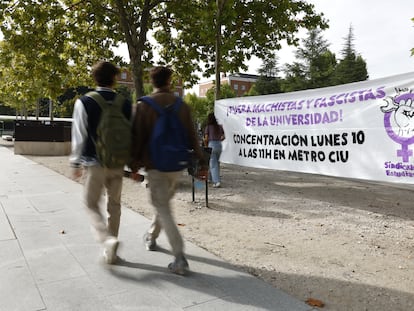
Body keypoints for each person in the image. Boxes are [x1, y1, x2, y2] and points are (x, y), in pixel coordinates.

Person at [130, 66, 206, 275]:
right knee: (162, 204)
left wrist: (134, 165)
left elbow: (137, 139)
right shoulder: (182, 106)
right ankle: (152, 237)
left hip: (155, 166)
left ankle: (179, 257)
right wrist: (201, 160)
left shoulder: (143, 106)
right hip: (177, 165)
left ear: (151, 81)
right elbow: (193, 136)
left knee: (163, 208)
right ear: (169, 81)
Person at [69, 61, 132, 264]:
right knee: (115, 205)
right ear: (114, 79)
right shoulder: (125, 102)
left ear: (94, 78)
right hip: (117, 163)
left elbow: (79, 135)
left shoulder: (85, 102)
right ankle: (111, 252)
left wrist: (75, 162)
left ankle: (107, 240)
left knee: (90, 203)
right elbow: (132, 133)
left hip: (94, 163)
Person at [203, 112, 225, 188]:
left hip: (211, 145)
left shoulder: (208, 127)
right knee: (216, 163)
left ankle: (216, 182)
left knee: (213, 164)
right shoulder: (219, 126)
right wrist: (218, 139)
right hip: (219, 145)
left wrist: (206, 146)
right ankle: (210, 178)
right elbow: (223, 137)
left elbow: (206, 139)